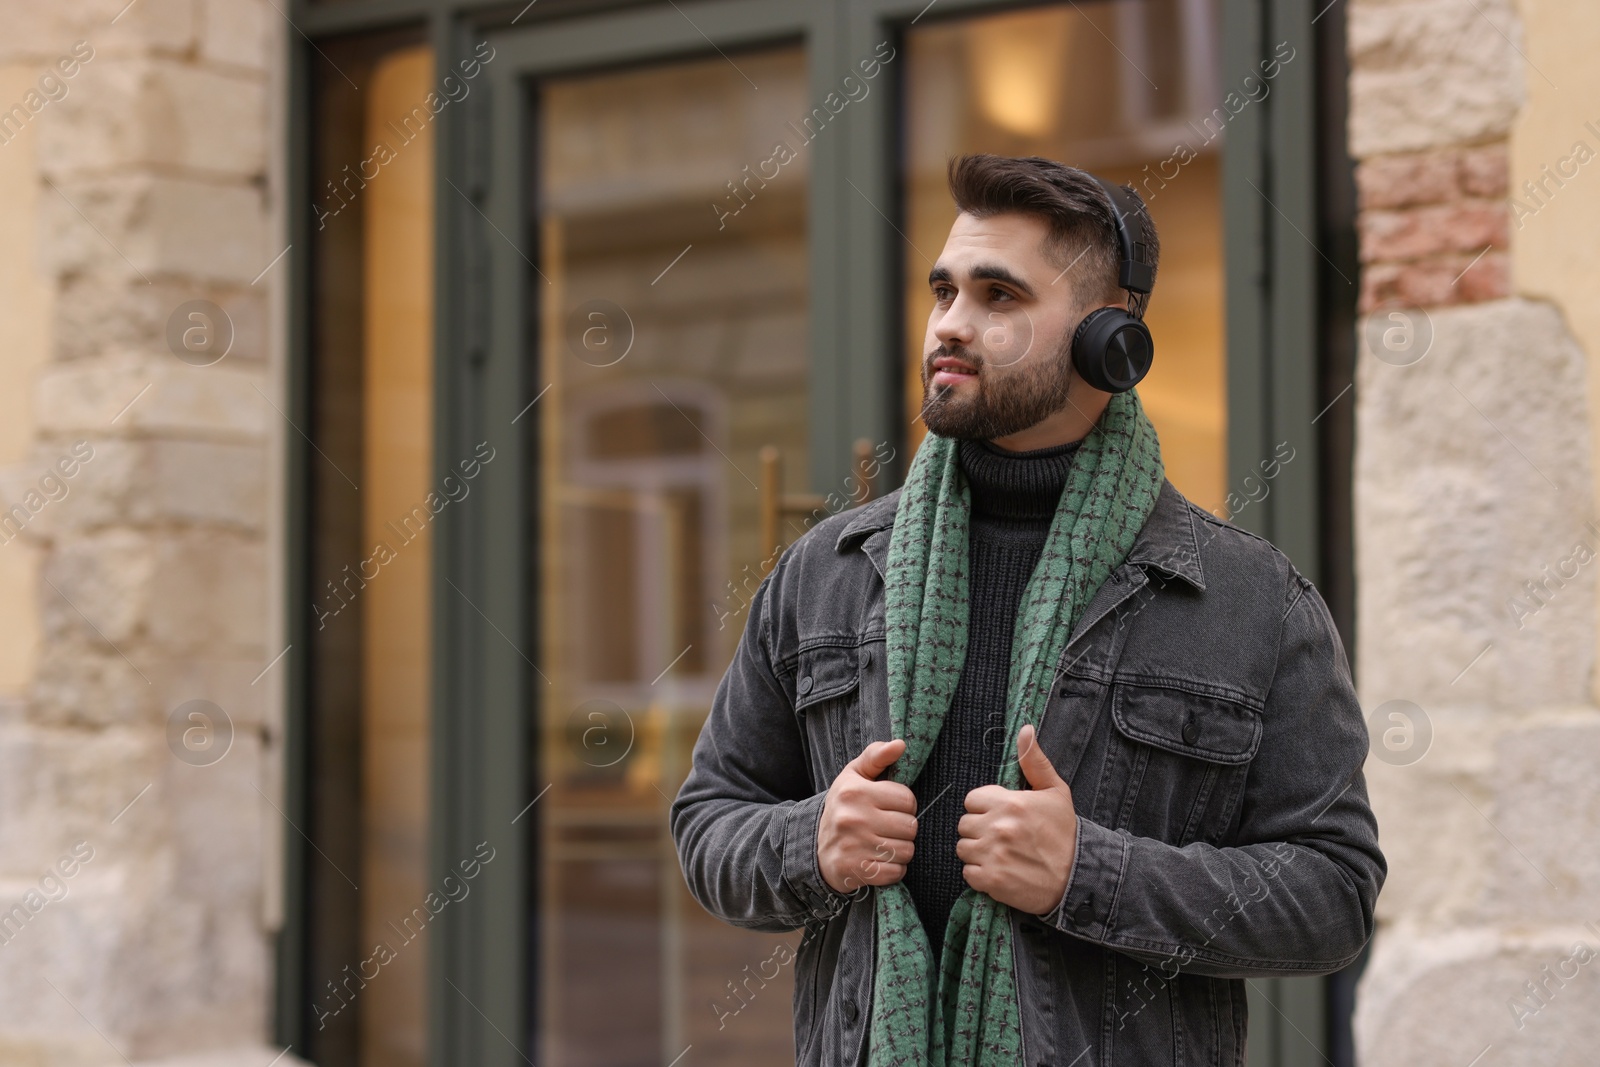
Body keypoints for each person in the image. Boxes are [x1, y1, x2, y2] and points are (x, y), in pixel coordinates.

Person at [670, 153, 1384, 1067]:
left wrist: (1088, 871)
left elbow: (1333, 894)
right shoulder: (827, 572)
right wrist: (809, 840)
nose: (950, 327)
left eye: (999, 296)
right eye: (943, 291)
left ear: (1110, 341)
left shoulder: (1250, 599)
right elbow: (709, 820)